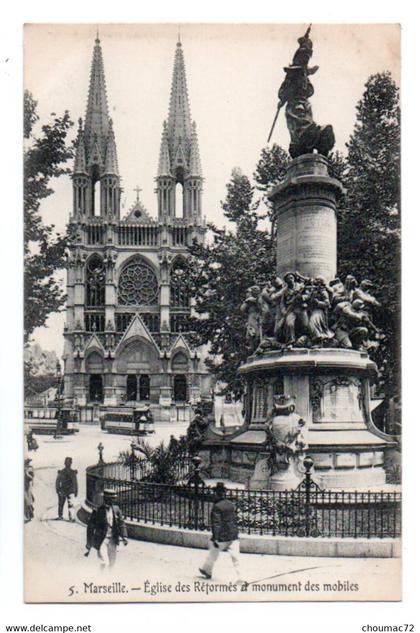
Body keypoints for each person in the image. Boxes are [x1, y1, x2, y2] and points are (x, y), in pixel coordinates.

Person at [199, 482, 242, 582]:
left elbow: (216, 524)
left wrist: (215, 537)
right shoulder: (231, 505)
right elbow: (233, 520)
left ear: (217, 494)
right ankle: (241, 577)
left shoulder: (217, 507)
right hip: (233, 535)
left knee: (213, 554)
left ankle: (207, 570)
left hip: (222, 537)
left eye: (215, 493)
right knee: (236, 558)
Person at [86, 489, 128, 570]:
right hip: (102, 540)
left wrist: (124, 536)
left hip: (113, 540)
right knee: (104, 562)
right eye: (112, 499)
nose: (113, 501)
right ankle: (101, 578)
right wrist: (89, 542)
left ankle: (109, 579)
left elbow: (121, 523)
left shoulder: (116, 509)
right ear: (106, 499)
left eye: (114, 498)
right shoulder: (97, 510)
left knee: (112, 563)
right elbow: (90, 527)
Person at [55, 457, 78, 521]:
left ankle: (64, 516)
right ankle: (69, 517)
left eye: (69, 462)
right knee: (66, 504)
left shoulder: (63, 472)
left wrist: (57, 490)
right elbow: (57, 481)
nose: (68, 464)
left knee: (65, 504)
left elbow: (57, 481)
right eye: (67, 462)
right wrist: (57, 489)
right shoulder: (69, 472)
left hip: (67, 491)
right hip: (66, 491)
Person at [24, 458, 35, 522]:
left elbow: (32, 477)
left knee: (27, 501)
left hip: (27, 487)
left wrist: (26, 473)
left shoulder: (30, 468)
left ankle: (28, 516)